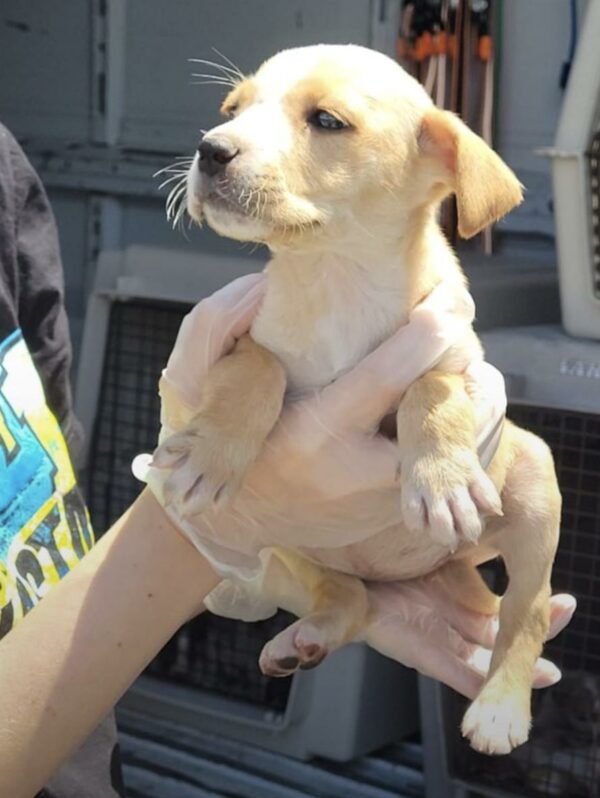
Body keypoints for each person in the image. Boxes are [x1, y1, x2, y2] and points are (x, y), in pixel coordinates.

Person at [0, 122, 576, 798]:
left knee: (529, 467)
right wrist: (211, 525)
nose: (223, 135)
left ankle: (447, 626)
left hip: (87, 754)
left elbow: (49, 509)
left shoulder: (8, 175)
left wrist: (224, 556)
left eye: (325, 122)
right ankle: (342, 601)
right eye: (238, 106)